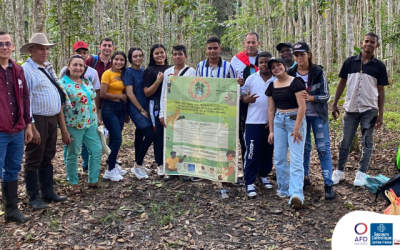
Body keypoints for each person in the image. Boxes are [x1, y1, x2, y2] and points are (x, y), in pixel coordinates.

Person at [332, 32, 389, 186]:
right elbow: (342, 83)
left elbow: (381, 91)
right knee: (345, 140)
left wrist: (381, 114)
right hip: (350, 108)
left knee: (367, 141)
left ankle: (361, 173)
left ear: (376, 46)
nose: (369, 44)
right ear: (362, 43)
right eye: (367, 41)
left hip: (369, 109)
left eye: (372, 42)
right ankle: (339, 171)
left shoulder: (379, 66)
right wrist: (335, 103)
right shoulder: (350, 62)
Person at [21, 33, 68, 209]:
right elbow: (26, 99)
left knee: (48, 155)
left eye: (47, 48)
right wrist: (30, 124)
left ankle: (47, 192)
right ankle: (33, 197)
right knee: (34, 156)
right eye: (41, 48)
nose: (45, 52)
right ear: (31, 50)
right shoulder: (27, 70)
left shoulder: (47, 68)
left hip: (51, 118)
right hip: (37, 119)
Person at [287, 42, 335, 200]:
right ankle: (304, 178)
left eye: (302, 54)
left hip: (318, 116)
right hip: (301, 117)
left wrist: (312, 97)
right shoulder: (291, 73)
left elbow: (326, 95)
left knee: (323, 149)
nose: (299, 57)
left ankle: (328, 183)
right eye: (296, 55)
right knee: (303, 148)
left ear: (309, 54)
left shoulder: (318, 71)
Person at [266, 57, 306, 210]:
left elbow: (302, 107)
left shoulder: (296, 82)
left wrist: (297, 128)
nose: (276, 68)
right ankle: (284, 188)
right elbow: (271, 109)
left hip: (295, 120)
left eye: (279, 65)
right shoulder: (272, 86)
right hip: (278, 122)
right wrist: (271, 130)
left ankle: (296, 194)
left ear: (284, 66)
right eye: (273, 67)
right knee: (280, 157)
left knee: (296, 159)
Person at [0, 31, 32, 222]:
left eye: (7, 44)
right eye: (0, 44)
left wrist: (27, 124)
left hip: (17, 129)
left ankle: (11, 210)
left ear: (13, 47)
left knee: (12, 169)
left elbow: (25, 97)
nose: (4, 47)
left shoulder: (18, 70)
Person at [194, 36, 236, 182]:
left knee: (221, 140)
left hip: (222, 112)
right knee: (204, 140)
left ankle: (222, 170)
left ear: (220, 49)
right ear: (206, 50)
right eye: (210, 48)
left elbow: (233, 89)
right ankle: (203, 170)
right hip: (205, 111)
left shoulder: (228, 67)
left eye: (215, 48)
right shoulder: (199, 66)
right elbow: (196, 87)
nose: (212, 51)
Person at [60, 55, 102, 193]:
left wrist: (97, 118)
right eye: (75, 65)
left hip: (90, 123)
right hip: (74, 124)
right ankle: (72, 181)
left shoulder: (86, 81)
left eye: (81, 65)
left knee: (96, 150)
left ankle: (93, 179)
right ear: (68, 66)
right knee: (73, 153)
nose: (78, 68)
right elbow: (59, 108)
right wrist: (64, 130)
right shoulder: (63, 84)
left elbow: (92, 100)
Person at [159, 44, 196, 181]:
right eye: (175, 54)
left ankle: (186, 169)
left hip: (186, 112)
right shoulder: (167, 71)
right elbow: (164, 93)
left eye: (180, 54)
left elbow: (192, 93)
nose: (177, 57)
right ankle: (171, 169)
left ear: (185, 56)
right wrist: (162, 114)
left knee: (186, 140)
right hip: (171, 112)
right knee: (171, 141)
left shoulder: (191, 72)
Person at [241, 52, 275, 197]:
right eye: (260, 62)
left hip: (270, 123)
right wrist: (246, 99)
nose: (263, 65)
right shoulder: (251, 78)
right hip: (253, 121)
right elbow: (242, 95)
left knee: (268, 151)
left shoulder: (276, 79)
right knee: (252, 152)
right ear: (257, 64)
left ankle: (263, 175)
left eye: (266, 62)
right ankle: (249, 181)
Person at [231, 32, 261, 178]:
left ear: (258, 44)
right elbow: (229, 81)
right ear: (244, 43)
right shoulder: (236, 60)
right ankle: (246, 169)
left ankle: (262, 170)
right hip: (242, 104)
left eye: (253, 42)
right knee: (243, 137)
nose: (250, 45)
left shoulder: (265, 59)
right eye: (248, 42)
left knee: (262, 136)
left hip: (261, 104)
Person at [123, 47, 152, 180]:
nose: (138, 58)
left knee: (139, 135)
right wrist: (141, 110)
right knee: (150, 135)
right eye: (135, 56)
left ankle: (138, 164)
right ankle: (137, 165)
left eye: (140, 55)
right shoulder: (128, 72)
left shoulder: (143, 70)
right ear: (130, 58)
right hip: (136, 109)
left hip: (145, 107)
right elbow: (129, 93)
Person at [100, 51, 128, 181]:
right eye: (116, 59)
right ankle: (110, 170)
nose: (119, 62)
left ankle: (113, 164)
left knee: (113, 139)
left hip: (121, 109)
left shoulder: (123, 74)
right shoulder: (107, 73)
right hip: (109, 108)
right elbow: (103, 94)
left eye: (122, 60)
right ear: (112, 60)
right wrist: (120, 96)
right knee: (117, 139)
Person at [143, 44, 170, 176]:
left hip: (171, 104)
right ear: (152, 56)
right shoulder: (150, 71)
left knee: (171, 134)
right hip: (155, 104)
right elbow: (147, 92)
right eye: (156, 53)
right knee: (157, 134)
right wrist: (158, 81)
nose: (160, 55)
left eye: (162, 52)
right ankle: (160, 164)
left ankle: (171, 163)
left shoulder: (172, 69)